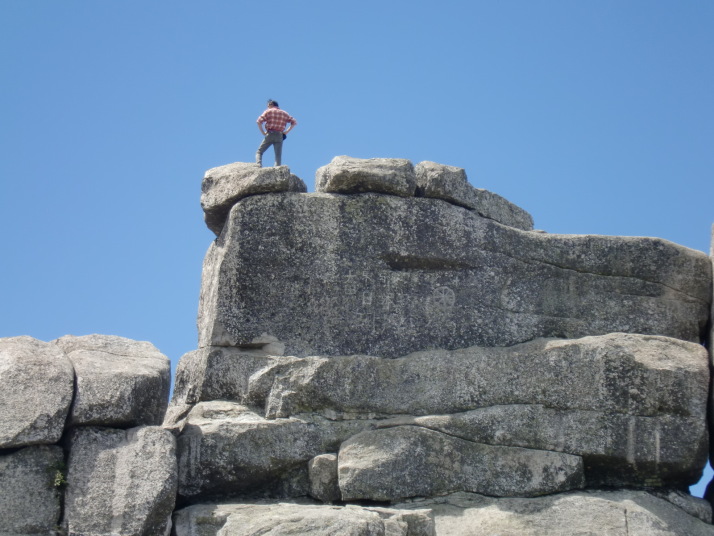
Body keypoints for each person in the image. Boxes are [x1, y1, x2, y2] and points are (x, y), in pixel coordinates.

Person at [255, 99, 297, 167]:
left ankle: (258, 164)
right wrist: (286, 132)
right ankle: (277, 168)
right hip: (279, 135)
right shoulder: (284, 113)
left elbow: (258, 121)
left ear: (271, 104)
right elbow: (294, 122)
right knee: (278, 155)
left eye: (268, 105)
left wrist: (263, 132)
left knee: (259, 152)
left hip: (270, 133)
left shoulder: (268, 111)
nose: (267, 107)